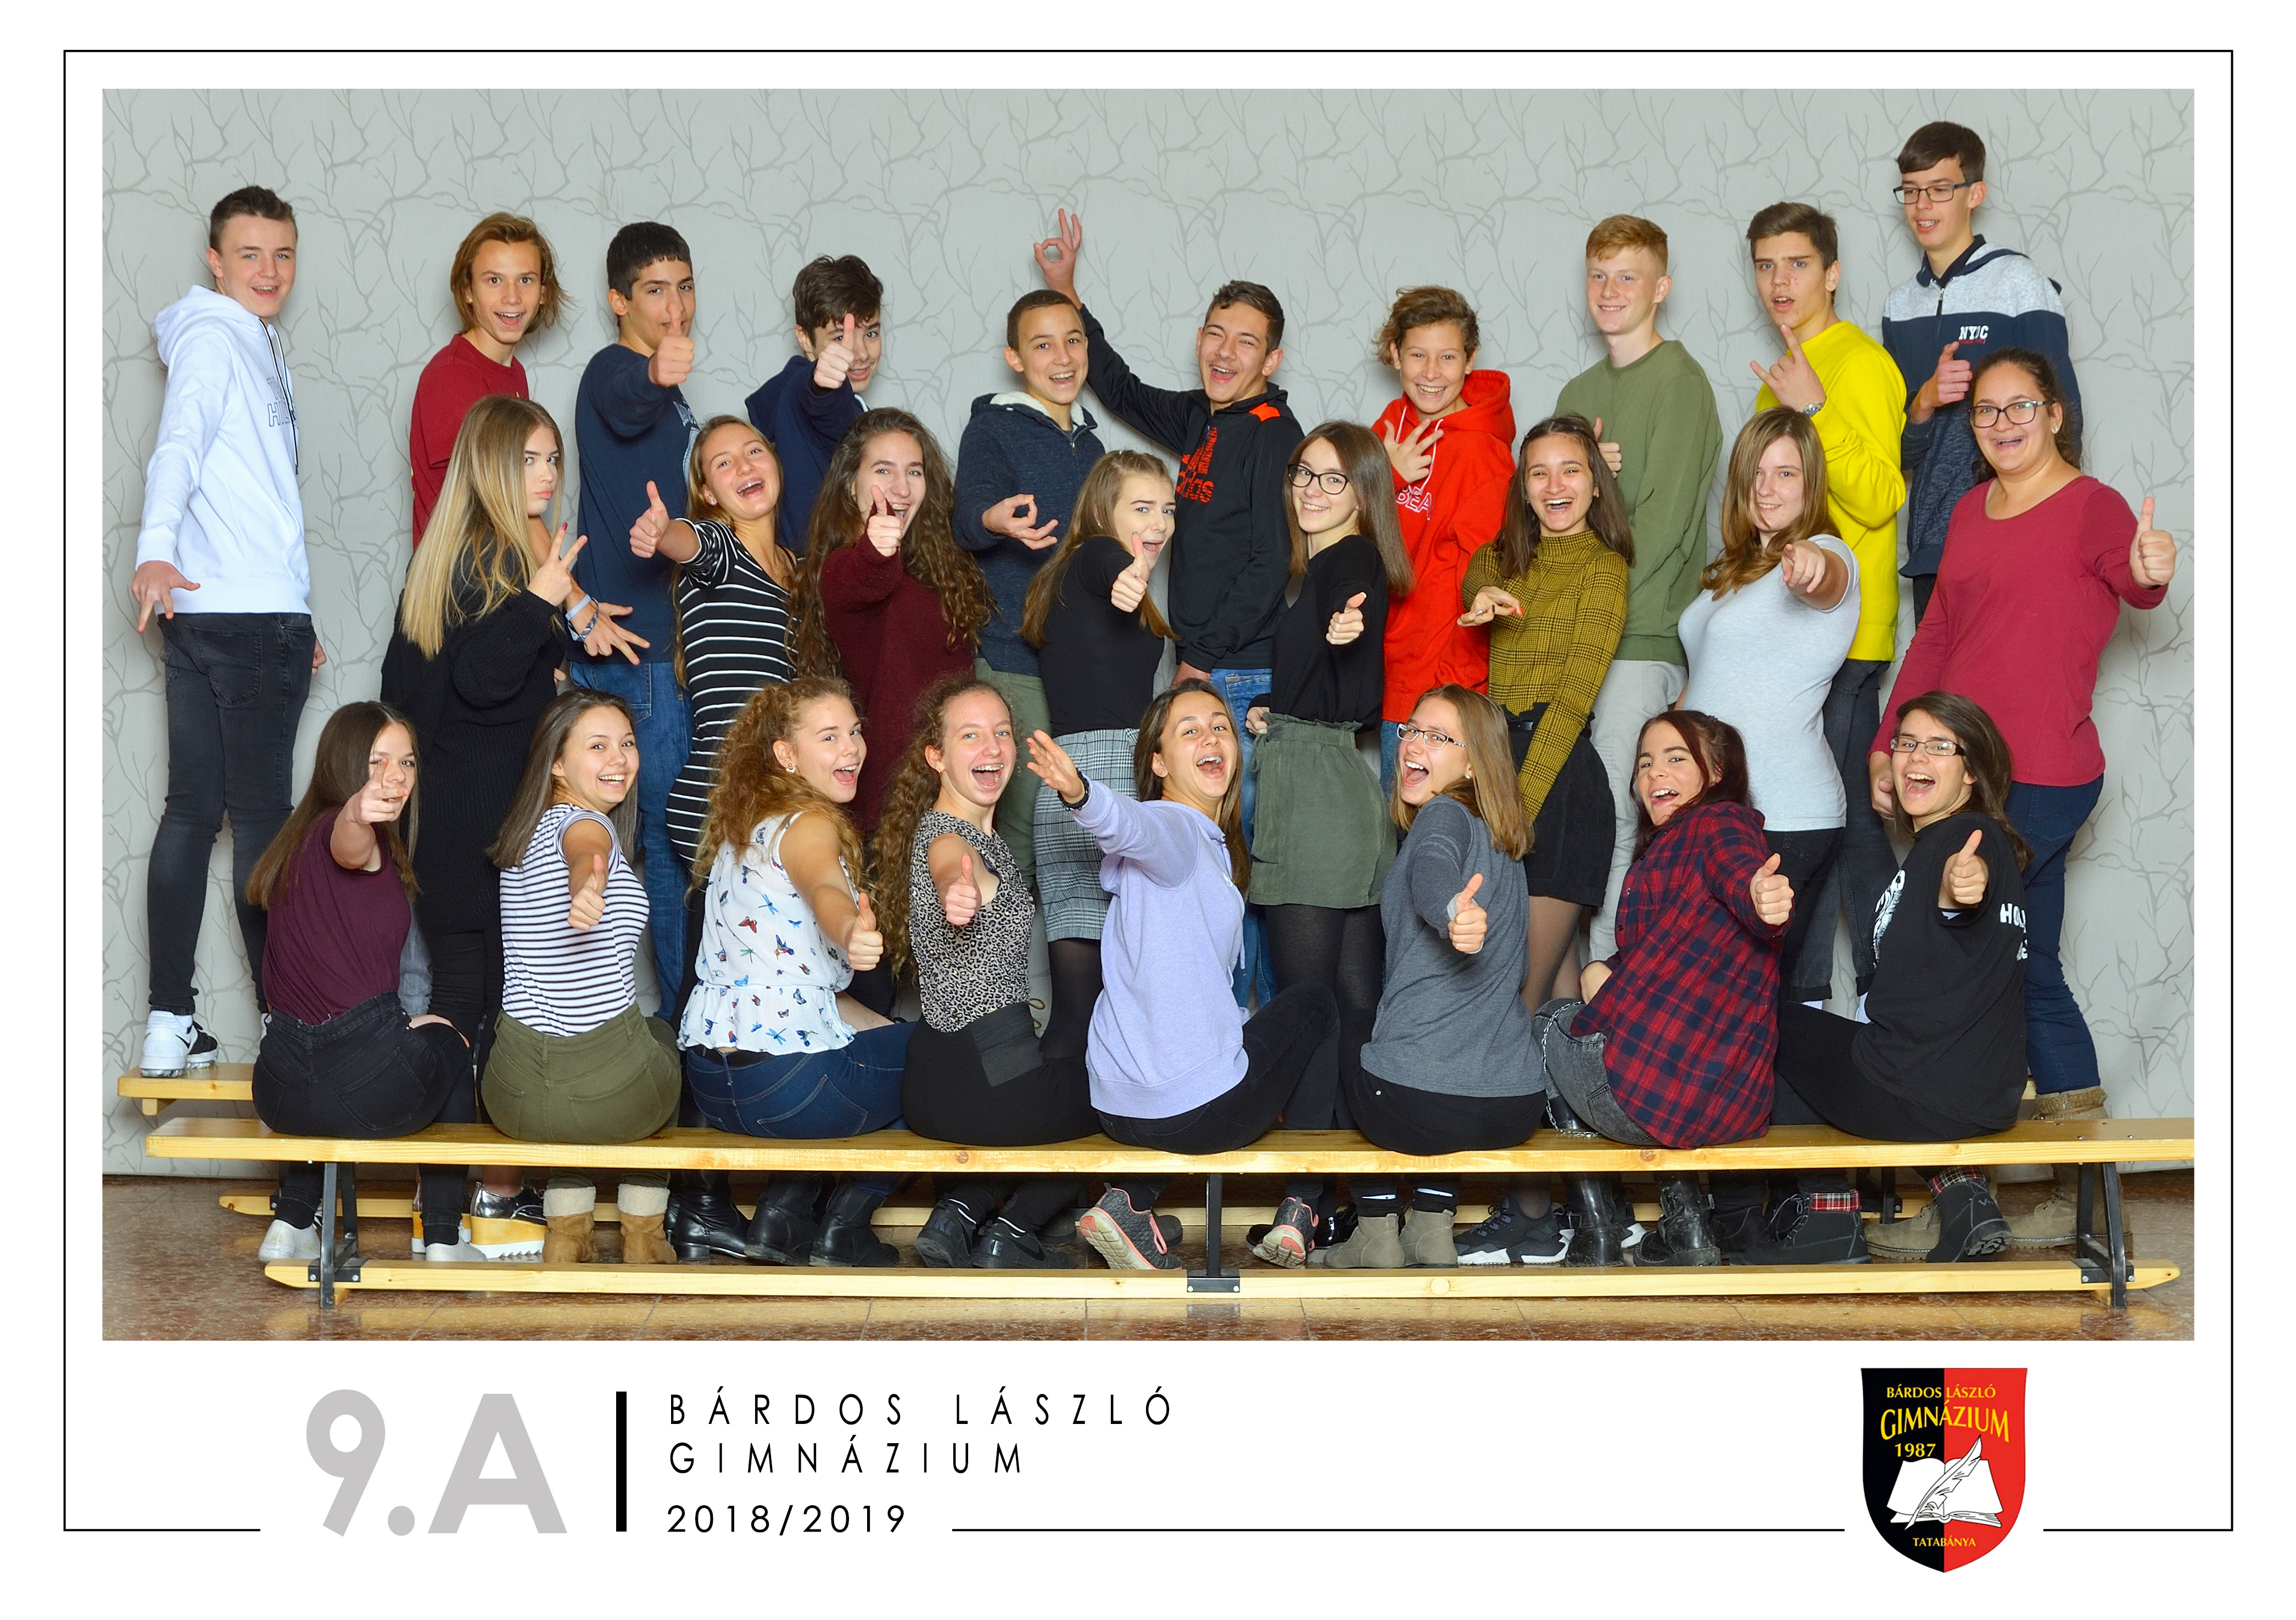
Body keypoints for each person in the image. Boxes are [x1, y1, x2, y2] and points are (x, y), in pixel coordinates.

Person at [1869, 347, 2176, 1247]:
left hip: (2041, 776)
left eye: (2020, 407)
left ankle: (1975, 1199)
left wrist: (2151, 567)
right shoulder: (1969, 510)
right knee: (2026, 968)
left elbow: (2136, 580)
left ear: (2054, 415)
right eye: (1985, 411)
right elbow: (1936, 637)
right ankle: (2079, 1202)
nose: (2001, 424)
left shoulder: (2092, 506)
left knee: (1969, 969)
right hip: (1963, 774)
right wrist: (1892, 742)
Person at [382, 394, 640, 1248]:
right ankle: (483, 1204)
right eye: (530, 459)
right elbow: (483, 677)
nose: (548, 473)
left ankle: (446, 1216)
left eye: (553, 459)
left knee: (465, 1008)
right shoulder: (491, 558)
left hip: (451, 829)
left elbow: (448, 686)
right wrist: (543, 603)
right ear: (492, 465)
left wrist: (553, 654)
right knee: (483, 1012)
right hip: (477, 834)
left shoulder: (458, 554)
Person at [1031, 210, 1300, 998]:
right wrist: (1069, 294)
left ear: (1271, 359)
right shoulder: (1200, 418)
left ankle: (1241, 1026)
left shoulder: (1273, 432)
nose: (1225, 351)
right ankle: (1216, 1019)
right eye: (1215, 333)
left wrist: (1200, 662)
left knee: (1231, 863)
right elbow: (1117, 388)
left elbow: (1271, 559)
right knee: (1194, 858)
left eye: (1245, 341)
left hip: (1238, 675)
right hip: (1203, 671)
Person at [1026, 683, 1340, 1272]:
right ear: (1158, 763)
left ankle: (1129, 1203)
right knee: (1316, 1004)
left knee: (1228, 1049)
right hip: (1191, 1115)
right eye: (1188, 730)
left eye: (1220, 725)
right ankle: (1302, 1210)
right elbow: (1134, 826)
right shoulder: (1175, 829)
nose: (1210, 737)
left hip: (1117, 1107)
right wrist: (1082, 794)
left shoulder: (1207, 850)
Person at [1727, 692, 2033, 1267]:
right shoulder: (1958, 839)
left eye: (1938, 746)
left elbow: (1963, 886)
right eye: (1906, 742)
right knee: (1831, 1040)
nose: (1916, 756)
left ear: (1970, 772)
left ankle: (1827, 1219)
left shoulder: (1963, 841)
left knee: (1762, 1019)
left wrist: (1963, 887)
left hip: (1917, 1092)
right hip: (1981, 1095)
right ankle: (1963, 1198)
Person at [132, 186, 322, 1079]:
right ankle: (288, 1027)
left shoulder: (242, 339)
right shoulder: (217, 339)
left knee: (190, 812)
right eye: (249, 254)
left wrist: (297, 603)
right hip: (245, 618)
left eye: (282, 254)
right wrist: (153, 548)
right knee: (262, 826)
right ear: (215, 260)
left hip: (213, 613)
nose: (268, 271)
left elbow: (257, 492)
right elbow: (179, 443)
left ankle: (170, 1021)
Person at [1240, 420, 1413, 1266]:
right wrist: (1276, 709)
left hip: (1314, 794)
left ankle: (1302, 1203)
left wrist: (1347, 635)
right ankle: (1370, 1205)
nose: (1311, 490)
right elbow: (1330, 682)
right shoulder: (1320, 568)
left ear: (1364, 493)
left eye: (1333, 479)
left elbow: (1355, 623)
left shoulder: (1350, 564)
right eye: (1304, 474)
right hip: (1335, 779)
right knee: (1352, 1003)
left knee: (1309, 1006)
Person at [1534, 711, 1794, 1266]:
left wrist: (1761, 898)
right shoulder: (1673, 846)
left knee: (1548, 1020)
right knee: (1597, 999)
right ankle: (1686, 1228)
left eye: (1676, 758)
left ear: (1717, 772)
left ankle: (1599, 1229)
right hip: (1733, 1112)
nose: (1654, 772)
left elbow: (1742, 876)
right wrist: (1601, 970)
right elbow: (1661, 955)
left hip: (1648, 1105)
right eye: (1645, 762)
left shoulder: (1721, 824)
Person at [678, 679, 914, 1267]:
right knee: (939, 1062)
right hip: (784, 1092)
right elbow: (824, 887)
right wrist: (849, 931)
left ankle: (781, 1221)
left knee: (895, 1041)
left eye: (854, 731)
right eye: (828, 736)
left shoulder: (743, 831)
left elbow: (799, 989)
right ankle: (841, 1231)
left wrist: (886, 1030)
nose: (851, 747)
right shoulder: (810, 824)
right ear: (786, 754)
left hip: (713, 1089)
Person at [244, 701, 484, 1265]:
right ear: (345, 762)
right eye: (378, 761)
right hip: (361, 1087)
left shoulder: (291, 843)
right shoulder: (353, 835)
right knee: (452, 1043)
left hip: (278, 1087)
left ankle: (292, 1221)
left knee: (345, 1064)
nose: (395, 776)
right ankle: (443, 1236)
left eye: (407, 762)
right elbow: (347, 842)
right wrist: (357, 812)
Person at [1316, 685, 1546, 1271]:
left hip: (1421, 1107)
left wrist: (1450, 913)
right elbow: (1519, 970)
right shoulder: (1505, 846)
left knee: (1343, 1028)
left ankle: (1374, 1233)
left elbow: (1432, 866)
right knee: (1422, 1054)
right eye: (1412, 730)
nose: (1413, 744)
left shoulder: (1443, 815)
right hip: (1512, 1105)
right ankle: (1430, 1228)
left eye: (1438, 737)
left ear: (1474, 763)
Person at [1742, 202, 1908, 1010]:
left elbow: (1879, 497)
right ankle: (1809, 1001)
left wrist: (1814, 407)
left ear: (1832, 274)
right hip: (1789, 636)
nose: (1780, 280)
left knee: (1837, 826)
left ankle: (1877, 1000)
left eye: (1797, 263)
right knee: (1807, 823)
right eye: (1765, 265)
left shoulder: (1861, 364)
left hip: (1843, 640)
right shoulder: (1783, 369)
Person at [875, 678, 1098, 1269]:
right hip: (987, 1088)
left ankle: (961, 1212)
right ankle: (1011, 1230)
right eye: (970, 735)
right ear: (936, 756)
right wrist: (958, 890)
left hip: (936, 1083)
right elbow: (953, 864)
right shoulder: (949, 836)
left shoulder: (977, 834)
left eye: (1001, 733)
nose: (992, 747)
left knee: (1069, 1069)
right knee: (1120, 1096)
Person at [1553, 215, 1724, 962]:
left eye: (1627, 276)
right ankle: (1567, 990)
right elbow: (1548, 509)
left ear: (1661, 288)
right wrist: (1589, 477)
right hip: (1571, 642)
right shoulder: (1578, 390)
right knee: (1567, 819)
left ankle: (1611, 982)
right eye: (1598, 275)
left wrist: (1603, 485)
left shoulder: (1680, 384)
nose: (1609, 290)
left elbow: (1663, 528)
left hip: (1637, 638)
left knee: (1621, 818)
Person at [482, 692, 684, 1265]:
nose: (619, 759)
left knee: (607, 1059)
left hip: (514, 1093)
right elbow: (585, 850)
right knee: (664, 1038)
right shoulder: (588, 824)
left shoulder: (522, 834)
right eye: (597, 746)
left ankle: (566, 1232)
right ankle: (644, 1234)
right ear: (556, 763)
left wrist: (587, 887)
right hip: (603, 1095)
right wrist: (586, 885)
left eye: (627, 743)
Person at [1678, 407, 1859, 1007]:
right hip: (1717, 810)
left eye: (1785, 474)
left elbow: (1827, 577)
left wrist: (1810, 565)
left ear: (1810, 484)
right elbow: (1702, 683)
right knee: (1716, 997)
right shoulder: (1729, 574)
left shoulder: (1825, 551)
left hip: (1783, 813)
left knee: (1743, 1003)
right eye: (1756, 472)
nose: (1766, 488)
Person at [1457, 416, 1629, 1012]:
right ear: (1523, 487)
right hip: (1503, 759)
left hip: (1556, 784)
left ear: (1596, 484)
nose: (1554, 486)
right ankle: (1576, 1077)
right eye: (1538, 473)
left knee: (1515, 994)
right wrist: (1480, 594)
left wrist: (1517, 809)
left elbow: (1572, 702)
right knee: (1559, 998)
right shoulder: (1506, 558)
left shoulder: (1602, 568)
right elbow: (1479, 568)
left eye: (1570, 470)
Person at [570, 221, 700, 1005]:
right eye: (654, 290)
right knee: (665, 845)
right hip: (641, 661)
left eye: (684, 287)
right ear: (620, 301)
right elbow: (625, 401)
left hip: (661, 656)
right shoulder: (612, 370)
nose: (673, 304)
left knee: (662, 844)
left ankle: (681, 1029)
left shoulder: (676, 397)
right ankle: (686, 1037)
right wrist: (655, 371)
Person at [1881, 121, 2083, 627]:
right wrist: (1924, 402)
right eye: (1910, 191)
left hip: (2013, 539)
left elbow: (2065, 418)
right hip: (1931, 547)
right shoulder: (1898, 306)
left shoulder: (2018, 283)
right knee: (1935, 678)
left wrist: (2055, 533)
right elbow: (1896, 452)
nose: (1922, 205)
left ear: (1974, 194)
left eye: (1939, 189)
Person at [1018, 450, 1175, 1065]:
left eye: (1167, 510)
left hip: (1088, 778)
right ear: (1104, 511)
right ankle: (1044, 1122)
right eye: (1142, 508)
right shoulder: (1093, 558)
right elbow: (1106, 564)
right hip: (1097, 779)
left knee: (1094, 1010)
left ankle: (1069, 1123)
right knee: (1093, 1011)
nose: (1159, 523)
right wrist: (1127, 574)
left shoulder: (1070, 576)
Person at [954, 289, 1107, 883]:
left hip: (1082, 665)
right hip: (1017, 662)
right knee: (1017, 831)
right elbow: (967, 515)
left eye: (1072, 341)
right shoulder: (992, 429)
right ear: (1015, 358)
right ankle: (991, 948)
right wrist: (993, 519)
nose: (1061, 357)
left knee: (1077, 831)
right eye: (1042, 345)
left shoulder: (1093, 445)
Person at [791, 408, 991, 834]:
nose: (901, 488)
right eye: (883, 471)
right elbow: (866, 577)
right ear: (851, 484)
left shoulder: (938, 570)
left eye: (914, 472)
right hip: (891, 803)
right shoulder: (840, 567)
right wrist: (876, 550)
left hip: (951, 792)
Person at [627, 415, 797, 879]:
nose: (744, 466)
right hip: (720, 794)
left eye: (754, 451)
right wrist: (663, 533)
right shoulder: (722, 549)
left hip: (778, 786)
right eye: (724, 463)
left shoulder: (799, 568)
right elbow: (691, 542)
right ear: (708, 494)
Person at [1368, 286, 1517, 792]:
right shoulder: (1390, 426)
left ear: (1470, 360)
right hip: (1386, 666)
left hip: (1437, 683)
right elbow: (1342, 527)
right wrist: (1388, 475)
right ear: (1395, 354)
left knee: (1421, 823)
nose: (1431, 372)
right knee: (1396, 821)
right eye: (1417, 355)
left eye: (1447, 357)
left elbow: (1484, 576)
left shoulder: (1482, 452)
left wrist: (1452, 691)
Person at [409, 212, 564, 548]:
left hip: (502, 571)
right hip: (462, 576)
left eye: (526, 280)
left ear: (543, 292)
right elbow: (496, 500)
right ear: (468, 290)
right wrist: (568, 583)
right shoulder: (452, 377)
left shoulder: (514, 372)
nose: (512, 297)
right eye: (494, 280)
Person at [745, 255, 884, 555]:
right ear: (805, 340)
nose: (860, 353)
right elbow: (821, 402)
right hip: (816, 571)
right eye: (840, 338)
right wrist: (821, 385)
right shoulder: (801, 390)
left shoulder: (855, 406)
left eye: (871, 333)